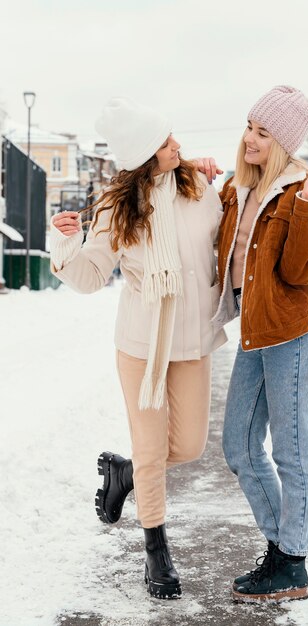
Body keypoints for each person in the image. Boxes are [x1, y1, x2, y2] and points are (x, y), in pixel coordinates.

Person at [49, 97, 227, 600]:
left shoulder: (199, 190)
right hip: (141, 346)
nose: (178, 145)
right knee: (153, 449)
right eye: (168, 141)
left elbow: (226, 239)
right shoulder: (114, 208)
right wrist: (66, 244)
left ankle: (125, 473)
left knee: (188, 446)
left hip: (191, 340)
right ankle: (156, 549)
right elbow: (88, 277)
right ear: (147, 153)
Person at [210, 85, 308, 603]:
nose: (250, 139)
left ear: (283, 142)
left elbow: (298, 271)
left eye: (263, 132)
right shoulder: (238, 189)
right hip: (255, 333)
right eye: (250, 126)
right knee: (238, 445)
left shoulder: (302, 191)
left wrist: (306, 205)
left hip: (294, 335)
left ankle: (292, 563)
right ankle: (284, 549)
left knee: (292, 452)